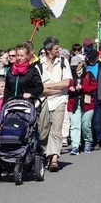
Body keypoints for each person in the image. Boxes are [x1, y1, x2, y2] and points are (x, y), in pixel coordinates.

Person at [36, 36, 72, 171]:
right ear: (48, 50)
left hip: (60, 101)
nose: (59, 50)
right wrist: (57, 87)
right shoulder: (39, 65)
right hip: (43, 101)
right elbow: (40, 89)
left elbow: (66, 83)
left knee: (56, 129)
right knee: (43, 131)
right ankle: (48, 153)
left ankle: (55, 157)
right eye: (56, 48)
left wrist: (49, 87)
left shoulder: (63, 62)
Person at [67, 56, 98, 154]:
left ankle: (87, 142)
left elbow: (94, 85)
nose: (74, 67)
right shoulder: (70, 75)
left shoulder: (88, 74)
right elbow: (66, 85)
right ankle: (75, 145)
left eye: (76, 65)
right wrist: (70, 88)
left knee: (86, 124)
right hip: (74, 103)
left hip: (87, 103)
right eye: (73, 66)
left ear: (81, 64)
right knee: (75, 125)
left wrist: (83, 87)